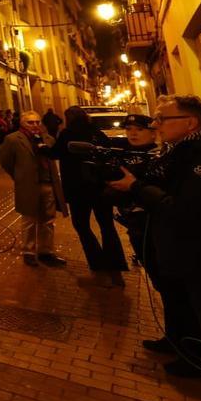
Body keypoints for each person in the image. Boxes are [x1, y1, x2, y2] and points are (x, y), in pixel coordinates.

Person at [109, 95, 201, 380]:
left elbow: (184, 210)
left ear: (190, 123)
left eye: (162, 118)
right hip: (180, 252)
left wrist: (137, 187)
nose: (155, 124)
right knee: (184, 303)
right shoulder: (176, 153)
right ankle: (184, 346)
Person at [112, 114, 201, 364]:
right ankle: (174, 337)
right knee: (163, 287)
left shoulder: (165, 159)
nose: (133, 133)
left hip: (159, 228)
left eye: (139, 129)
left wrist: (137, 187)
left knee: (175, 288)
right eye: (129, 129)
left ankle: (192, 350)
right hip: (138, 227)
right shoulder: (124, 157)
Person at [55, 107, 128, 277]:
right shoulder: (97, 133)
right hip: (100, 188)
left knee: (81, 225)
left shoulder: (67, 134)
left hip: (77, 189)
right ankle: (116, 262)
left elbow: (55, 153)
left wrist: (42, 147)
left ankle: (96, 261)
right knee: (107, 225)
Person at [0, 110, 67, 266]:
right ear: (22, 123)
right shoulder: (13, 139)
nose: (35, 125)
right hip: (28, 185)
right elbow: (6, 162)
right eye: (30, 122)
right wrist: (19, 176)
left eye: (37, 122)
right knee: (29, 219)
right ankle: (28, 251)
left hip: (48, 184)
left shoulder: (48, 139)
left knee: (48, 220)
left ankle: (46, 251)